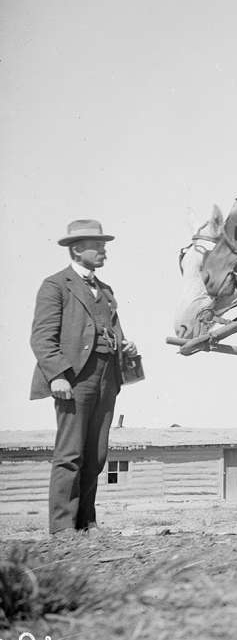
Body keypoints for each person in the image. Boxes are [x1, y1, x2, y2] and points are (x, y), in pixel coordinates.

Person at [30, 219, 138, 535]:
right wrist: (58, 376)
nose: (104, 251)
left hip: (108, 377)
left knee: (97, 455)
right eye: (98, 246)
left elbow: (111, 329)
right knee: (70, 455)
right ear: (77, 249)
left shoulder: (105, 290)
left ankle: (86, 523)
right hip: (75, 379)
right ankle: (63, 530)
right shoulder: (55, 285)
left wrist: (124, 343)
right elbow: (42, 338)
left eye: (104, 245)